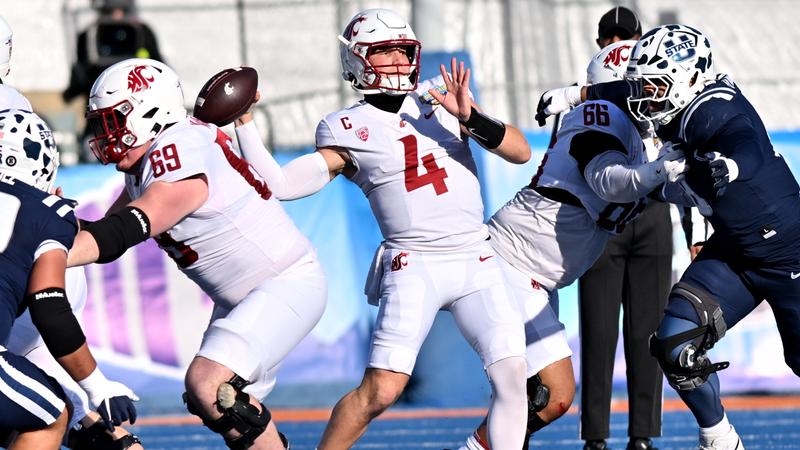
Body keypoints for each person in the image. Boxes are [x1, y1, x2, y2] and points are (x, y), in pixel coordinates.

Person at [232, 8, 531, 449]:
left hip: (476, 255)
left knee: (512, 378)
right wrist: (244, 125)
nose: (396, 61)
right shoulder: (345, 126)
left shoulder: (441, 98)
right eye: (384, 52)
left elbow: (520, 152)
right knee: (380, 392)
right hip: (415, 263)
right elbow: (282, 185)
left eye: (401, 51)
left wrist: (471, 118)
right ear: (357, 60)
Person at [536, 23, 800, 450]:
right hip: (735, 249)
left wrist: (731, 165)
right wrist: (574, 95)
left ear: (689, 79)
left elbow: (742, 139)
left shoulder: (714, 108)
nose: (645, 97)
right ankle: (719, 439)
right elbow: (627, 93)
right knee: (675, 340)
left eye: (655, 86)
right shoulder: (678, 98)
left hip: (789, 252)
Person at [66, 57, 327, 450]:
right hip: (245, 297)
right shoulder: (151, 157)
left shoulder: (178, 145)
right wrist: (49, 233)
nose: (106, 133)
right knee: (214, 402)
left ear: (148, 111)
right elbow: (104, 229)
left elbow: (122, 232)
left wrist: (48, 251)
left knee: (209, 385)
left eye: (113, 121)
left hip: (285, 283)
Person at [455, 39, 696, 450]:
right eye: (643, 88)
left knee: (553, 398)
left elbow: (650, 190)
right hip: (508, 261)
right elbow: (609, 181)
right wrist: (659, 171)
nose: (652, 97)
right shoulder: (596, 114)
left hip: (539, 279)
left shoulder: (636, 135)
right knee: (525, 392)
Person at [0, 15, 144, 450]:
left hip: (25, 321)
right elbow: (50, 305)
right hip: (32, 315)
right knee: (57, 412)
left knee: (64, 412)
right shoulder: (42, 207)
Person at [578, 7, 665, 450]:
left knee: (647, 332)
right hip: (603, 219)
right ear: (598, 44)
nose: (615, 42)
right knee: (598, 330)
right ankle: (595, 435)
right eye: (608, 36)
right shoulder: (586, 95)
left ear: (639, 38)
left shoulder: (660, 85)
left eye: (623, 34)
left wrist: (696, 231)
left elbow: (679, 157)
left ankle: (643, 434)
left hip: (652, 215)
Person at [63, 0, 163, 162]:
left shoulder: (140, 33)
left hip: (138, 117)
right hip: (102, 120)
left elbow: (158, 71)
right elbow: (80, 77)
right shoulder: (91, 35)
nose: (117, 18)